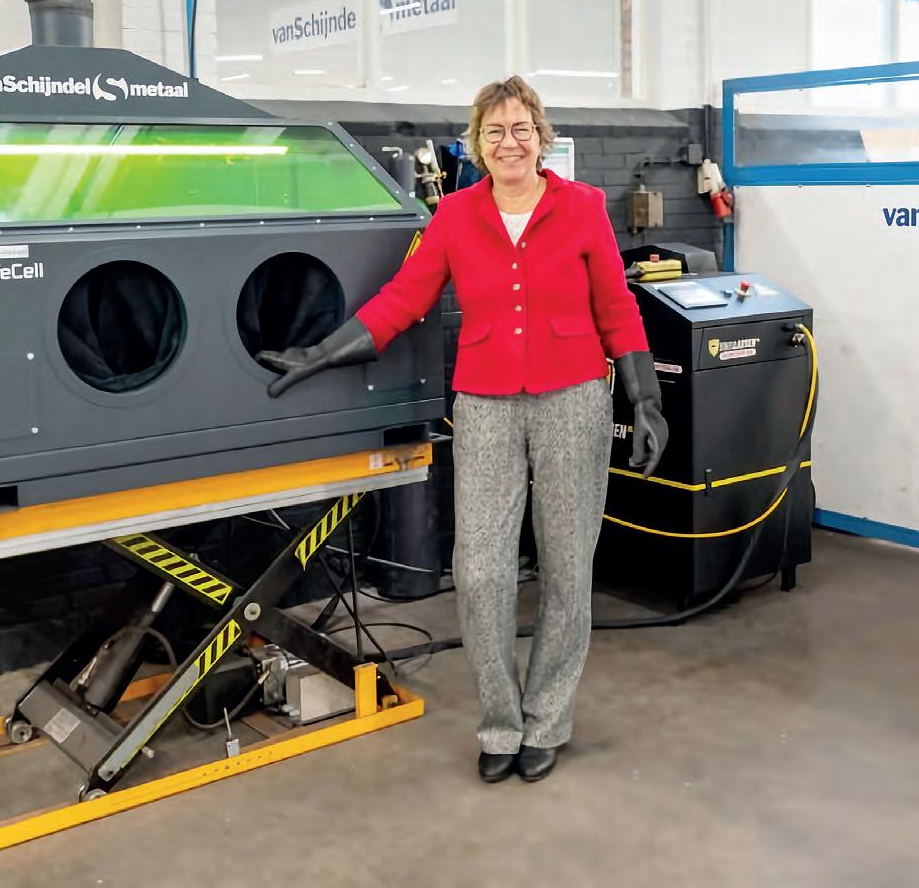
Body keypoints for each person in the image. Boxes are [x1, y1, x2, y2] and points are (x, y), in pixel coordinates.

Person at [263, 74, 668, 785]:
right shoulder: (452, 214)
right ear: (478, 143)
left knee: (567, 570)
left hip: (574, 398)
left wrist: (646, 398)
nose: (509, 142)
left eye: (521, 129)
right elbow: (404, 296)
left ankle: (547, 720)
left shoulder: (582, 207)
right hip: (484, 402)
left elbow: (616, 304)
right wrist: (322, 351)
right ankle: (501, 723)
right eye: (494, 131)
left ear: (541, 138)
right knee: (479, 574)